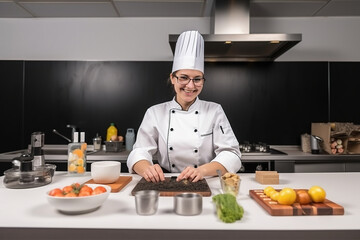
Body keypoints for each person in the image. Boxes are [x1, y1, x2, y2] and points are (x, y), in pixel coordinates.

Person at [127, 30, 241, 183]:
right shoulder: (155, 112)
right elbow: (140, 151)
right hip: (165, 180)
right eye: (184, 78)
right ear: (173, 78)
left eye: (197, 79)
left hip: (204, 180)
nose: (190, 85)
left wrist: (202, 170)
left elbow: (231, 154)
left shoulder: (214, 110)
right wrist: (146, 168)